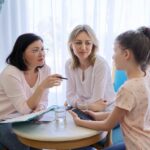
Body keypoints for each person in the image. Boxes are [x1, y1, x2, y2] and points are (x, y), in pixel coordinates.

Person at [70, 26, 150, 150]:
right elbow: (123, 115)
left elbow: (107, 125)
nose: (112, 57)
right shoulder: (144, 80)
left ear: (126, 54)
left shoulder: (127, 89)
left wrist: (78, 121)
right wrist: (94, 114)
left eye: (115, 51)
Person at [0, 33, 63, 150]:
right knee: (23, 146)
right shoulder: (10, 74)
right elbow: (23, 109)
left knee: (44, 140)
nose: (41, 54)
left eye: (43, 49)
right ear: (22, 54)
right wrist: (42, 87)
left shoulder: (45, 69)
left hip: (29, 117)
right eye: (35, 50)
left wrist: (40, 108)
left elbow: (44, 101)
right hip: (5, 120)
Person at [65, 25, 115, 112]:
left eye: (88, 43)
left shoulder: (101, 65)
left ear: (93, 45)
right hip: (83, 110)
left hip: (105, 111)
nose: (83, 47)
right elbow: (69, 96)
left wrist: (77, 103)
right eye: (78, 42)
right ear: (71, 45)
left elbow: (97, 101)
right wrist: (85, 106)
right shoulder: (69, 64)